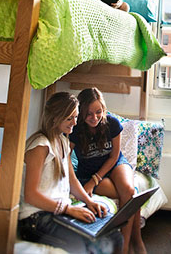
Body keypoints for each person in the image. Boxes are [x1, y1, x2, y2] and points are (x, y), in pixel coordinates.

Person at [18, 92, 123, 254]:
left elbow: (72, 180)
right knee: (84, 247)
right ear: (55, 118)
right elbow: (31, 195)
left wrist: (89, 201)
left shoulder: (63, 141)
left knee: (114, 235)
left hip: (58, 213)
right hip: (37, 218)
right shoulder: (40, 146)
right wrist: (68, 209)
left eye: (76, 117)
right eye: (70, 118)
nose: (75, 122)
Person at [70, 87, 146, 254]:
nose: (95, 117)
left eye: (99, 112)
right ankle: (136, 240)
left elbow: (114, 156)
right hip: (88, 172)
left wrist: (94, 181)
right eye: (89, 114)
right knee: (130, 195)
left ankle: (125, 246)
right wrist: (84, 181)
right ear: (81, 112)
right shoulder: (75, 129)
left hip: (114, 163)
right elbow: (65, 156)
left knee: (128, 189)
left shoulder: (111, 123)